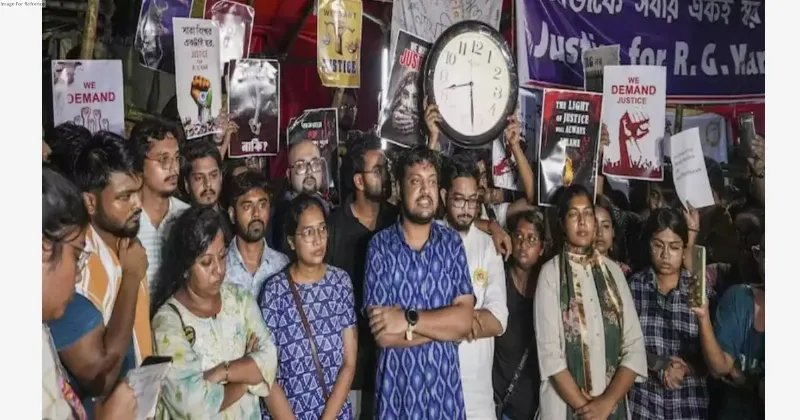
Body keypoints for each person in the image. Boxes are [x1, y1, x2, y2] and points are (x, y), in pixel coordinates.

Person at [364, 146, 475, 419]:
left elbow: (463, 323)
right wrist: (443, 329)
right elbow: (384, 336)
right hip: (397, 401)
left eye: (432, 182)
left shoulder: (452, 244)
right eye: (416, 181)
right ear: (400, 190)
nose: (426, 191)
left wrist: (408, 319)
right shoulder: (379, 247)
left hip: (444, 399)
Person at [48, 132, 152, 415]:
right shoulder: (74, 271)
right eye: (124, 197)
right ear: (90, 203)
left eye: (138, 192)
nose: (138, 204)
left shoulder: (131, 249)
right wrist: (131, 277)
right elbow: (99, 379)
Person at [150, 207, 278, 419]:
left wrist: (222, 372)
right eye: (206, 262)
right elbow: (193, 404)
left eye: (222, 256)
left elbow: (269, 360)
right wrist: (245, 378)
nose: (219, 270)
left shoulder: (239, 300)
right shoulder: (168, 322)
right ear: (184, 268)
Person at [534, 184, 647, 420]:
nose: (582, 222)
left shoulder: (614, 273)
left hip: (611, 408)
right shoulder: (550, 275)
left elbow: (634, 346)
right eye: (574, 214)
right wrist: (588, 410)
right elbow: (550, 355)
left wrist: (606, 404)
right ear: (563, 223)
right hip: (565, 408)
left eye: (588, 213)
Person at [259, 194, 358, 419]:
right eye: (308, 232)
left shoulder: (340, 282)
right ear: (292, 241)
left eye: (322, 229)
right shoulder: (275, 292)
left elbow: (349, 363)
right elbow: (266, 372)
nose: (318, 240)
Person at [326, 132, 398, 419]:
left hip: (394, 359)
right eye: (378, 170)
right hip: (350, 368)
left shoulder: (398, 219)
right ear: (358, 181)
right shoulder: (332, 228)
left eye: (385, 169)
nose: (386, 176)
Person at [627, 208, 721, 419]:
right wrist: (660, 364)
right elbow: (622, 348)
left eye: (674, 247)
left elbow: (717, 360)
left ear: (684, 248)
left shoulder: (701, 292)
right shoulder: (633, 288)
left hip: (688, 404)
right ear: (649, 245)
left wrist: (686, 368)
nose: (666, 255)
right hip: (644, 405)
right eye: (658, 245)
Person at [439, 155, 509, 419]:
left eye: (473, 201)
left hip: (477, 398)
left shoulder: (489, 246)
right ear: (445, 195)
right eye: (459, 199)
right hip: (432, 388)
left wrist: (438, 324)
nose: (467, 209)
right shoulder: (428, 238)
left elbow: (499, 320)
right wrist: (471, 320)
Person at [696, 232, 764, 420]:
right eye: (765, 254)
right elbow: (719, 367)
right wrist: (703, 317)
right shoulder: (738, 297)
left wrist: (743, 379)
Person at [493, 210, 548, 420]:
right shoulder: (498, 279)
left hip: (535, 406)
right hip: (501, 402)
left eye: (532, 239)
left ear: (542, 248)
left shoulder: (549, 286)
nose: (523, 243)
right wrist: (492, 227)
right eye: (518, 236)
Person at [130, 118, 190, 290]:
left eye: (176, 158)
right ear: (139, 163)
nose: (174, 168)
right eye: (163, 159)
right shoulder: (124, 219)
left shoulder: (186, 217)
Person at [224, 171, 289, 297]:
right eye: (247, 207)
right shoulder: (220, 267)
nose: (256, 213)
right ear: (232, 214)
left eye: (262, 205)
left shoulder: (282, 265)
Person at [271, 139, 330, 253]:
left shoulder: (328, 207)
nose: (309, 172)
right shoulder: (279, 215)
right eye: (300, 166)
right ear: (289, 174)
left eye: (315, 164)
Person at [180, 137, 224, 209]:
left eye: (213, 176)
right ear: (187, 184)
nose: (208, 184)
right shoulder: (177, 219)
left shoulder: (232, 218)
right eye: (199, 178)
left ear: (221, 177)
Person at [593, 195, 632, 277]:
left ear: (613, 231)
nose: (600, 233)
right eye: (594, 226)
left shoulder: (624, 273)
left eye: (606, 226)